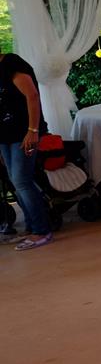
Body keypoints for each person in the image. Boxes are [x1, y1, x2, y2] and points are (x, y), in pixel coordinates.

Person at [0, 52, 53, 251]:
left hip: (23, 133)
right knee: (16, 182)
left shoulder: (11, 63)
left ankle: (41, 231)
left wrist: (33, 131)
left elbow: (32, 96)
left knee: (22, 181)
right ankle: (31, 228)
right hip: (5, 137)